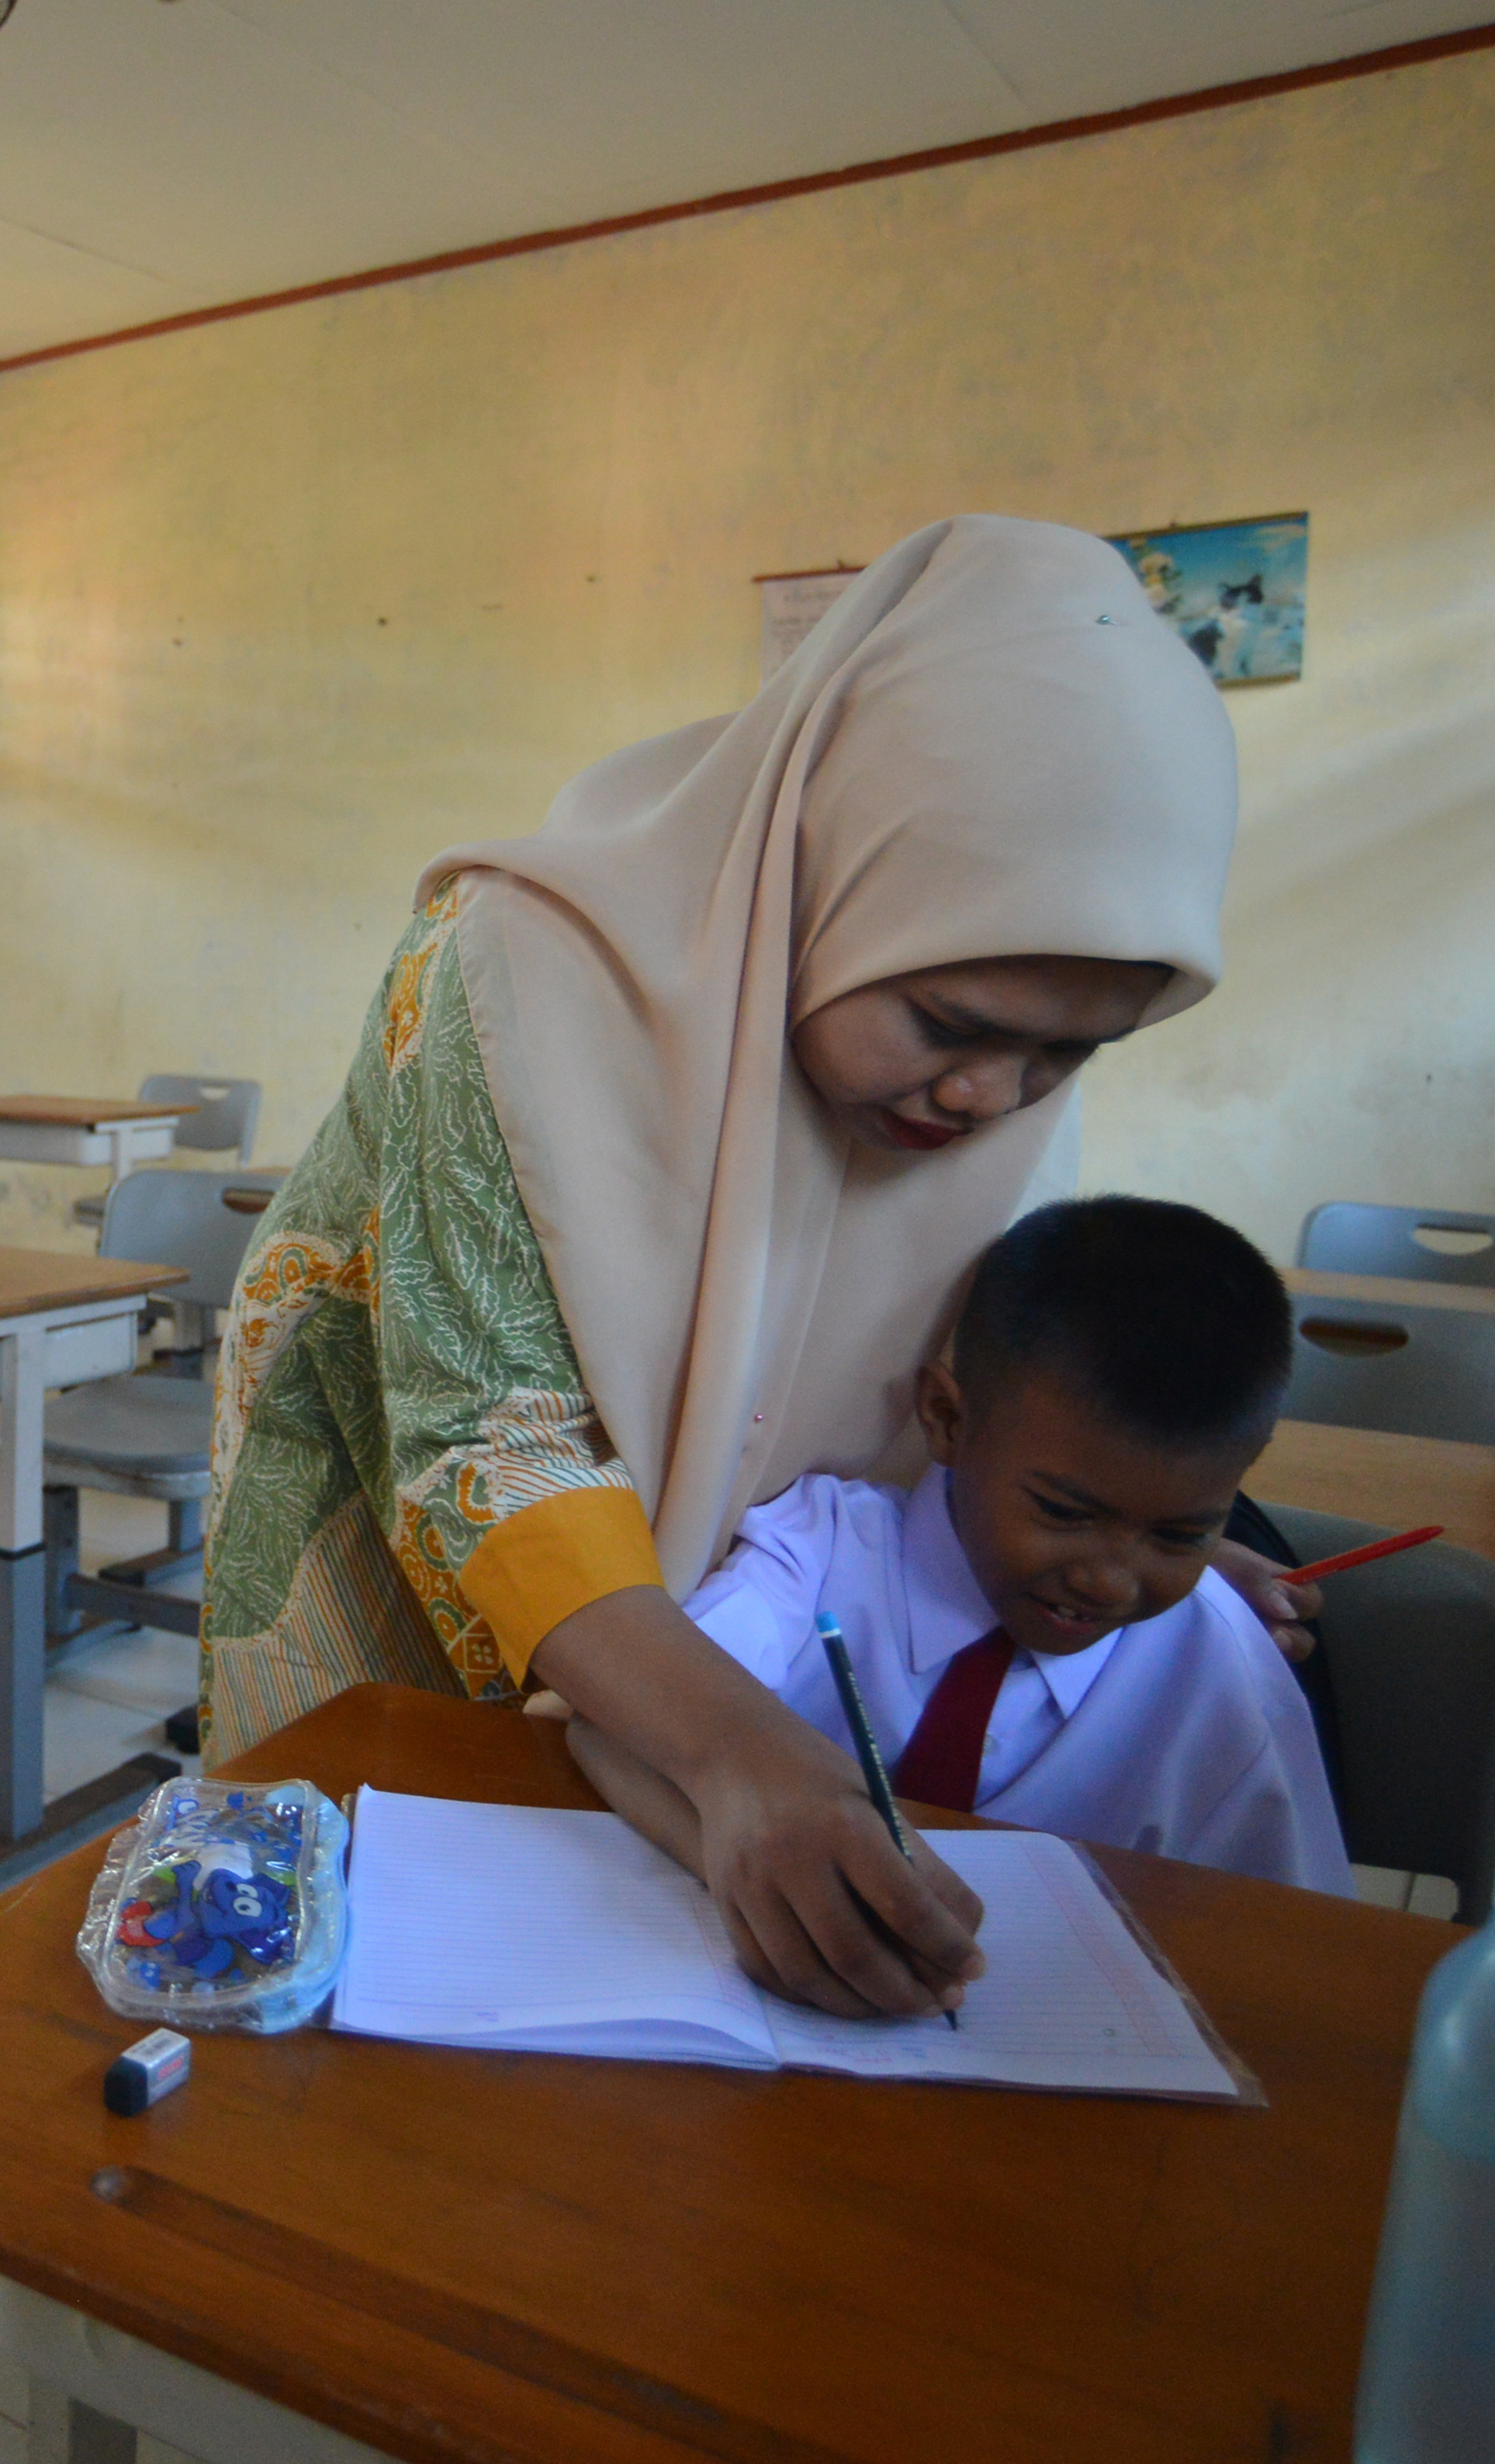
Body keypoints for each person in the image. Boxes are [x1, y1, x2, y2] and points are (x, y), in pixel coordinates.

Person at [203, 513, 1316, 2037]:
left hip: (729, 1666)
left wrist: (1145, 1541)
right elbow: (482, 1433)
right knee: (380, 2014)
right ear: (834, 866)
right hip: (419, 1570)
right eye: (946, 1020)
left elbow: (968, 1383)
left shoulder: (989, 1040)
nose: (990, 1098)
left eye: (1065, 1055)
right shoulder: (514, 974)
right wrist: (735, 1750)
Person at [572, 1195, 1351, 1898]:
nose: (1109, 1581)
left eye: (1179, 1535)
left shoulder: (1222, 1673)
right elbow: (616, 1726)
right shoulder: (814, 1558)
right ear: (944, 1417)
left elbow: (1293, 1941)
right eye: (1063, 1512)